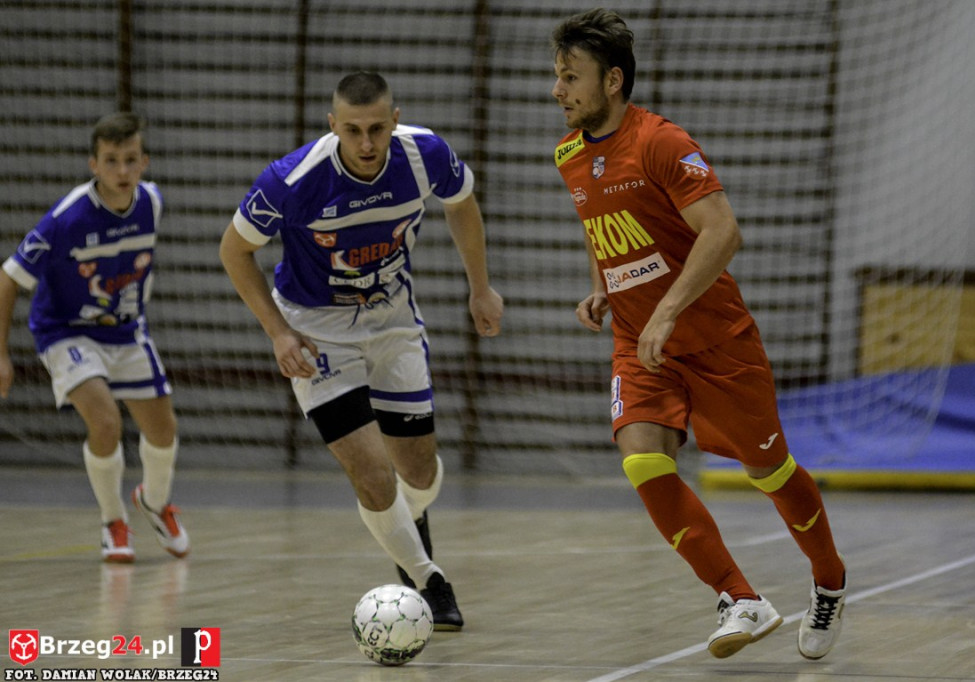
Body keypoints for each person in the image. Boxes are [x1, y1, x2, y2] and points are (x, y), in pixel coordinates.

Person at [550, 9, 846, 660]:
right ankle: (738, 596)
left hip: (715, 341)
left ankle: (828, 578)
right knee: (642, 459)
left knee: (769, 469)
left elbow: (723, 232)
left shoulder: (660, 143)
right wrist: (608, 284)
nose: (558, 90)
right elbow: (604, 225)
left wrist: (667, 311)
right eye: (557, 75)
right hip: (639, 343)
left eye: (571, 77)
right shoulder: (570, 155)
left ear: (614, 81)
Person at [219, 71, 503, 631]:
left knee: (417, 475)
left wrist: (480, 286)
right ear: (333, 127)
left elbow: (462, 203)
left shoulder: (424, 156)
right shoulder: (292, 180)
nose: (367, 143)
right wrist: (279, 331)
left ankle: (406, 522)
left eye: (377, 128)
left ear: (395, 119)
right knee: (372, 476)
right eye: (353, 131)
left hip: (393, 321)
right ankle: (429, 580)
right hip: (316, 331)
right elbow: (233, 252)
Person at [0, 112, 190, 564]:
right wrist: (1, 354)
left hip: (125, 331)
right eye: (111, 161)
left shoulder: (152, 203)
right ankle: (113, 521)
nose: (121, 171)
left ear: (144, 162)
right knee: (105, 421)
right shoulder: (66, 219)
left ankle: (155, 502)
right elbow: (8, 279)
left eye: (130, 160)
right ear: (94, 165)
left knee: (163, 430)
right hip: (65, 331)